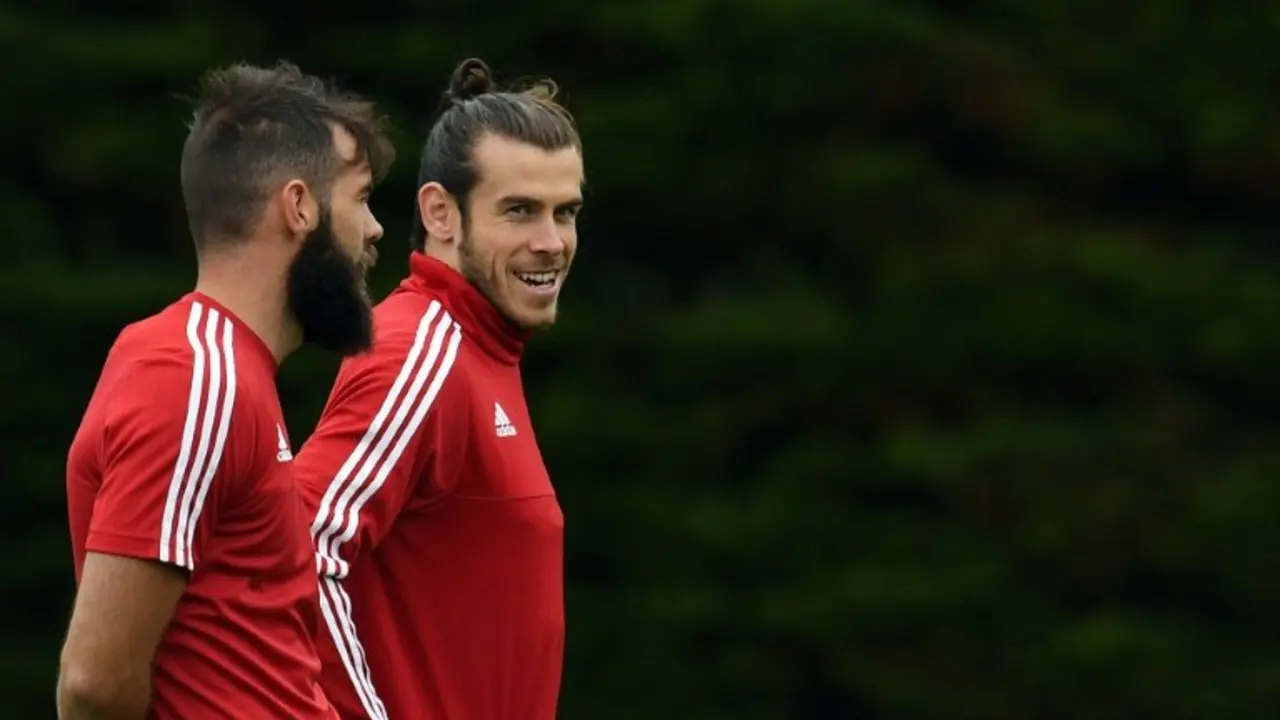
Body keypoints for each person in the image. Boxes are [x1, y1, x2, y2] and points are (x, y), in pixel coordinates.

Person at [58, 60, 394, 719]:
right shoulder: (194, 379)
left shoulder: (224, 372)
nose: (375, 228)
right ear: (300, 207)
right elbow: (94, 683)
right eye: (360, 198)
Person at [293, 57, 585, 720]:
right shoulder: (419, 351)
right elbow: (297, 551)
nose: (551, 242)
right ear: (441, 214)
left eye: (564, 213)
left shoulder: (482, 350)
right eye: (519, 211)